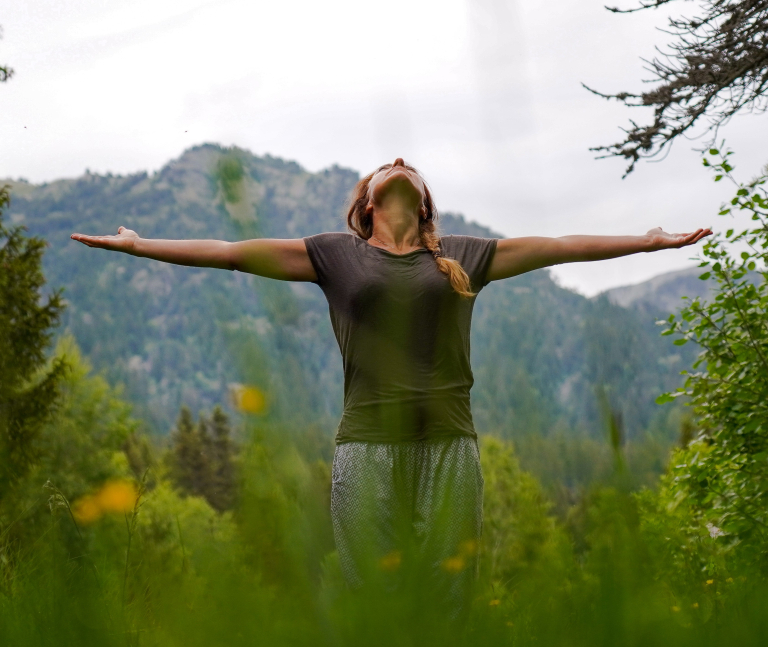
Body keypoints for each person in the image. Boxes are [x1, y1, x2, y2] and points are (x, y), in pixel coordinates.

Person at [71, 157, 711, 617]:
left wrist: (647, 242)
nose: (398, 165)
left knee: (449, 592)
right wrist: (139, 245)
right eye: (385, 168)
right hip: (368, 445)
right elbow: (232, 250)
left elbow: (560, 247)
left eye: (409, 168)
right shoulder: (334, 255)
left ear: (423, 200)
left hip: (449, 444)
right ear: (369, 200)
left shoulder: (463, 255)